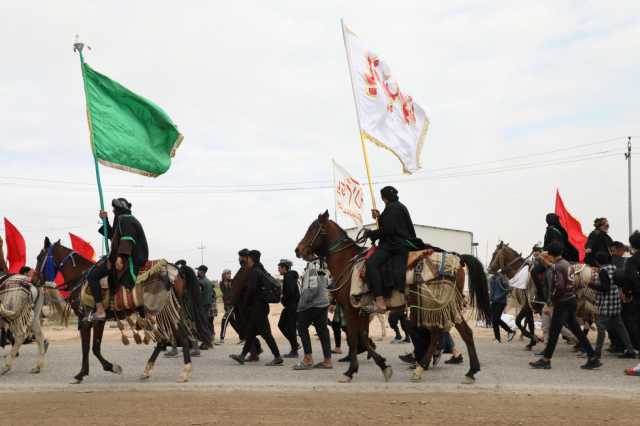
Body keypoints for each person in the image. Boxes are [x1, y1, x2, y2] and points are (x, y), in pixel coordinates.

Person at [529, 242, 601, 370]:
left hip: (562, 302)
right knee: (576, 331)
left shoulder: (556, 268)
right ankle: (592, 357)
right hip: (571, 300)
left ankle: (546, 360)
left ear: (551, 255)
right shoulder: (566, 264)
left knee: (554, 332)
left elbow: (558, 287)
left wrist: (551, 301)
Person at [87, 198, 149, 320]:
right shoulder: (124, 220)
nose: (113, 211)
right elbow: (113, 235)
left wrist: (120, 257)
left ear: (118, 209)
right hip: (123, 256)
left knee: (92, 276)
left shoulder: (125, 220)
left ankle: (100, 310)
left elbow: (127, 239)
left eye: (114, 209)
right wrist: (105, 220)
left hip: (129, 259)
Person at [364, 186, 416, 312]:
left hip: (393, 245)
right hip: (404, 243)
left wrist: (371, 234)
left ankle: (379, 298)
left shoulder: (391, 208)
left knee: (371, 264)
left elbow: (389, 230)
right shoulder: (399, 207)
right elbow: (393, 224)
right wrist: (380, 216)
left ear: (383, 198)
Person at [230, 250, 282, 366]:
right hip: (259, 307)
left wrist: (245, 303)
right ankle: (242, 356)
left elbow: (251, 290)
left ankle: (277, 357)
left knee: (266, 334)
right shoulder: (260, 270)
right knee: (250, 332)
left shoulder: (254, 272)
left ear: (250, 259)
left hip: (257, 307)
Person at [588, 251, 636, 359]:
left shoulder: (603, 271)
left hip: (605, 305)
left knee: (600, 329)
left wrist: (591, 284)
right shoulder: (614, 268)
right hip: (615, 303)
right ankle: (630, 350)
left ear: (597, 261)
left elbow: (605, 288)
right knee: (621, 328)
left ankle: (597, 352)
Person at [530, 213, 577, 306]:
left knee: (534, 271)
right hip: (561, 255)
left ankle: (541, 295)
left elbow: (552, 246)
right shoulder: (560, 230)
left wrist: (544, 252)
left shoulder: (551, 230)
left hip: (553, 256)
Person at [293, 261, 332, 370]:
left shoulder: (311, 267)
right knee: (323, 331)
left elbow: (313, 288)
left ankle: (308, 359)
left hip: (311, 305)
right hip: (323, 303)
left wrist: (302, 303)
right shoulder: (324, 266)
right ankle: (327, 360)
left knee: (301, 327)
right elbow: (328, 284)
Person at [277, 259, 300, 358]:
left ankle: (294, 350)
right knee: (282, 325)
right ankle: (295, 345)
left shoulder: (289, 277)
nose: (278, 269)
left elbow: (290, 291)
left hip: (292, 306)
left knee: (290, 327)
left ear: (284, 268)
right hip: (291, 306)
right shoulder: (290, 276)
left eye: (279, 267)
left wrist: (283, 298)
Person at [623, 231, 640, 354]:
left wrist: (627, 294)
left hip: (636, 296)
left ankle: (636, 347)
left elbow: (629, 279)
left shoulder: (632, 261)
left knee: (632, 320)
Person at [489, 273, 515, 343]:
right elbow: (491, 291)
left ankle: (510, 331)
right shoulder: (491, 279)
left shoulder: (502, 278)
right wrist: (490, 299)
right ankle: (497, 338)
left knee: (496, 319)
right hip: (494, 302)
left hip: (501, 302)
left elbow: (508, 290)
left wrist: (499, 296)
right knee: (494, 320)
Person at [196, 265, 214, 350]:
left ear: (202, 272)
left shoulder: (201, 282)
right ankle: (207, 342)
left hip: (203, 305)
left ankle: (207, 343)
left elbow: (198, 294)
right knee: (205, 323)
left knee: (203, 324)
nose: (197, 272)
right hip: (207, 305)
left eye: (198, 271)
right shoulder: (209, 281)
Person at [218, 269, 238, 344]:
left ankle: (221, 339)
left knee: (224, 319)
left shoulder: (233, 282)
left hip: (233, 305)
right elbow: (225, 293)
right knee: (233, 322)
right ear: (223, 275)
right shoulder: (221, 283)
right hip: (226, 306)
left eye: (230, 273)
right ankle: (243, 337)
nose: (229, 275)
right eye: (227, 274)